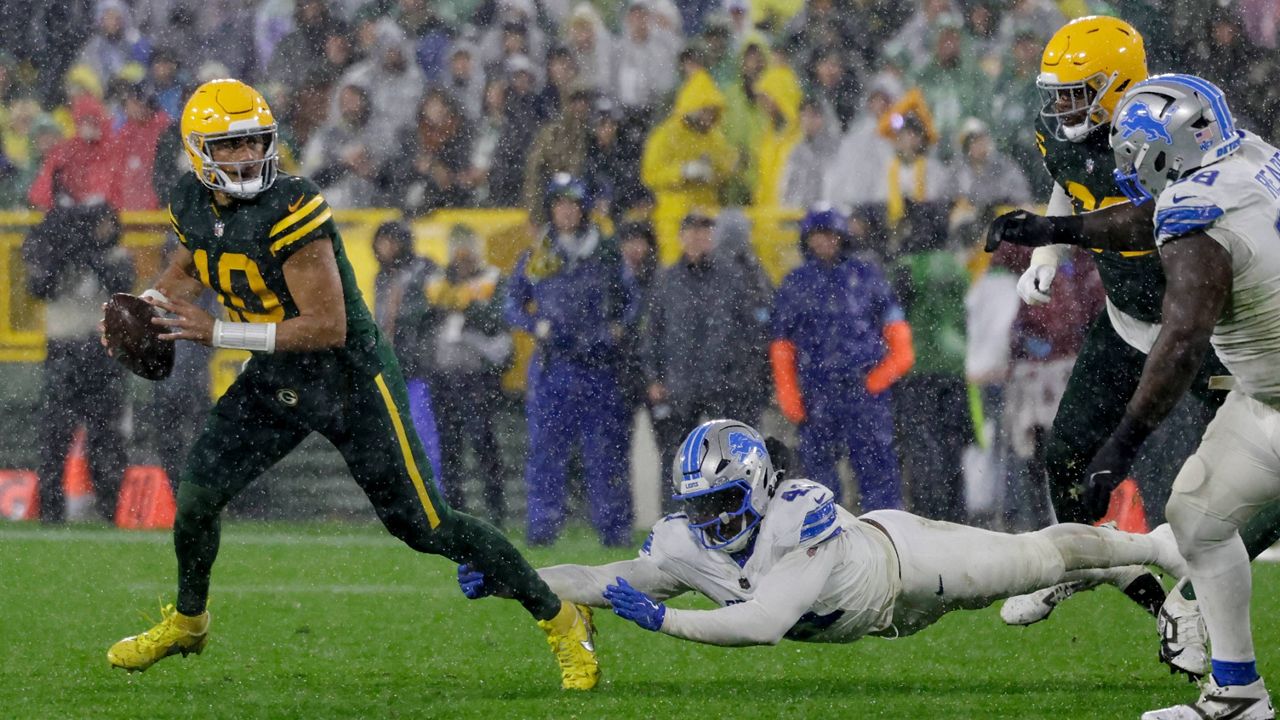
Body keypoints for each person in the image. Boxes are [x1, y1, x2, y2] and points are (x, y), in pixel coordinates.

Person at [102, 80, 600, 692]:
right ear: (200, 153)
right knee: (200, 490)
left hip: (349, 379)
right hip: (278, 376)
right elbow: (189, 265)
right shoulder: (190, 201)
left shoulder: (291, 206)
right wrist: (150, 307)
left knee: (428, 528)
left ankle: (560, 614)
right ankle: (188, 620)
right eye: (231, 147)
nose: (248, 156)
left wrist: (218, 332)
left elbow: (327, 326)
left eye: (256, 141)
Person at [1011, 74, 1280, 720]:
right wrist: (1058, 229)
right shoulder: (1246, 156)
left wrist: (1122, 443)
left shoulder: (1198, 226)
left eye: (1133, 151)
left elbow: (1183, 340)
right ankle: (1238, 693)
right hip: (1266, 397)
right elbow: (1146, 215)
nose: (1123, 163)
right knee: (1195, 516)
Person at [457, 419, 1189, 654]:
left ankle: (1147, 547)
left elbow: (768, 622)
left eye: (721, 502)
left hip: (906, 567)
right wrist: (514, 577)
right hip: (883, 622)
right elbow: (599, 579)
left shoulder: (795, 513)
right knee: (1027, 577)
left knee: (1034, 554)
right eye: (699, 506)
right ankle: (1090, 574)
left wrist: (672, 620)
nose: (710, 521)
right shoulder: (687, 543)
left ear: (756, 485)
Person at [981, 16, 1228, 642]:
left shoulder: (1169, 134)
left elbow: (1150, 219)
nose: (1062, 106)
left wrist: (1052, 240)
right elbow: (1069, 185)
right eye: (1058, 91)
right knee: (1065, 453)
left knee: (1228, 476)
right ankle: (1083, 563)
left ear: (1120, 86)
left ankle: (1198, 604)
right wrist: (1045, 256)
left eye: (1078, 91)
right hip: (1126, 319)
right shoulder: (1063, 134)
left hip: (1205, 329)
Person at [504, 173, 634, 546]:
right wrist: (535, 325)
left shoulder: (607, 253)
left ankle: (614, 532)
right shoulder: (537, 254)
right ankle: (542, 530)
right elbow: (511, 302)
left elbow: (632, 302)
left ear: (584, 209)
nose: (566, 212)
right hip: (553, 367)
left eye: (573, 205)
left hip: (598, 368)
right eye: (559, 205)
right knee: (546, 454)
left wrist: (614, 331)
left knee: (604, 454)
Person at [771, 204, 911, 509]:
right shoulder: (795, 283)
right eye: (817, 235)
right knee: (818, 485)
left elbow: (897, 334)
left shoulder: (867, 275)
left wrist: (879, 379)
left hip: (864, 392)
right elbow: (782, 344)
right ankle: (825, 546)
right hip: (815, 393)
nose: (824, 242)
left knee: (879, 478)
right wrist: (789, 393)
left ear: (842, 236)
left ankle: (887, 542)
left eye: (830, 234)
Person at [641, 209, 771, 511]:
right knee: (678, 462)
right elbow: (652, 334)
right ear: (681, 236)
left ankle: (733, 518)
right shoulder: (666, 281)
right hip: (680, 389)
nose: (698, 237)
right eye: (692, 231)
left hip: (725, 387)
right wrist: (654, 378)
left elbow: (751, 332)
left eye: (704, 231)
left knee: (728, 461)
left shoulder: (733, 278)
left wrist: (744, 375)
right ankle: (675, 523)